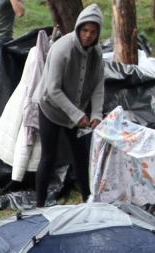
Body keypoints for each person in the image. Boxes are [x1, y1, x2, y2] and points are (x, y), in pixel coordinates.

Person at [34, 4, 104, 208]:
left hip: (76, 112)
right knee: (48, 157)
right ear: (78, 28)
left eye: (93, 32)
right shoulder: (61, 49)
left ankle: (88, 203)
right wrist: (77, 114)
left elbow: (98, 86)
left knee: (81, 158)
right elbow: (52, 89)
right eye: (85, 30)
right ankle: (39, 206)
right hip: (50, 108)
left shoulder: (97, 53)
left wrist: (96, 114)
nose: (88, 35)